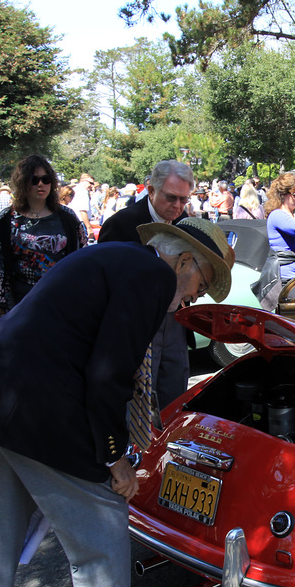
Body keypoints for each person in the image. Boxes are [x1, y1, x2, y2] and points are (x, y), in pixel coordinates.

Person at [0, 214, 233, 587]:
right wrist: (116, 458)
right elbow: (108, 373)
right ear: (185, 260)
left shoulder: (116, 257)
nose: (196, 296)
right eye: (202, 282)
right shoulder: (152, 275)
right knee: (100, 545)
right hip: (39, 411)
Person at [98, 160, 195, 407]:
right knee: (137, 399)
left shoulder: (185, 221)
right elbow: (106, 282)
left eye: (184, 200)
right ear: (151, 190)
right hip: (137, 321)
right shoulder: (121, 224)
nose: (177, 206)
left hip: (175, 321)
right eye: (171, 198)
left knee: (174, 392)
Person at [0, 155, 87, 316]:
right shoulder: (6, 219)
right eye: (34, 180)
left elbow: (82, 258)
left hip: (61, 301)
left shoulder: (67, 217)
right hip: (20, 304)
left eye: (46, 179)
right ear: (23, 183)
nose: (41, 184)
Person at [265, 172, 295, 295]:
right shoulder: (277, 215)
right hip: (284, 280)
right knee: (292, 314)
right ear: (283, 195)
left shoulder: (290, 216)